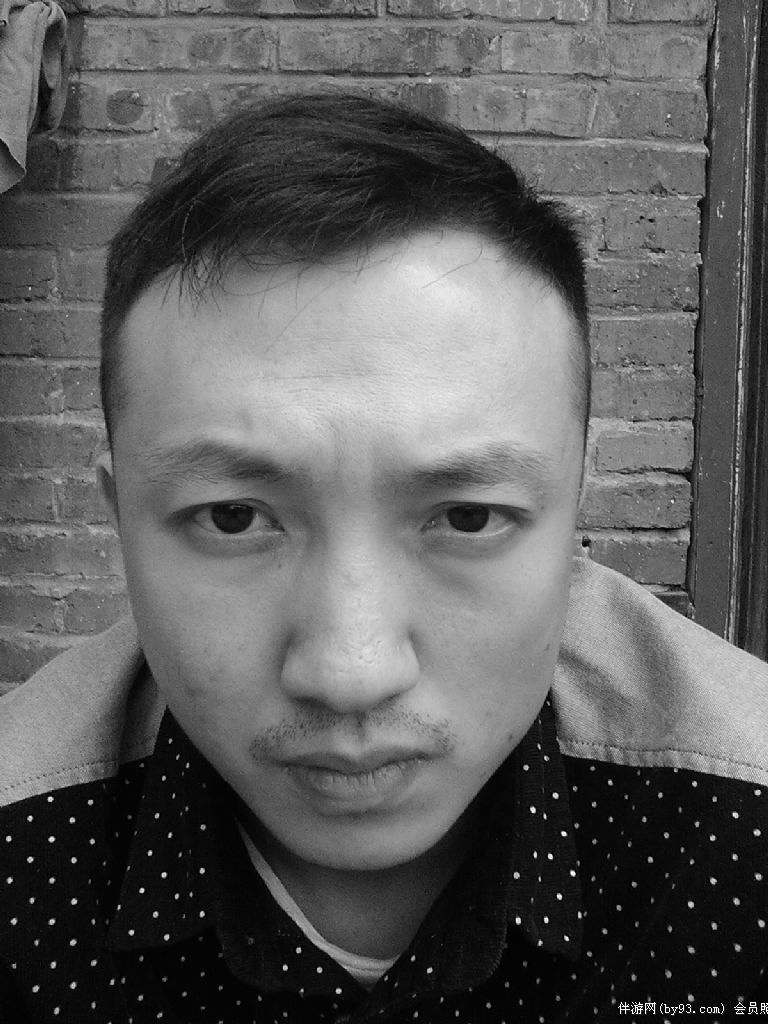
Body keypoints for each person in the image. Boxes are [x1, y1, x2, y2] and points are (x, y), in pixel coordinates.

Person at [2, 93, 767, 1024]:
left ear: (576, 504)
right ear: (120, 516)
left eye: (469, 516)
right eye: (234, 518)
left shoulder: (742, 834)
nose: (351, 673)